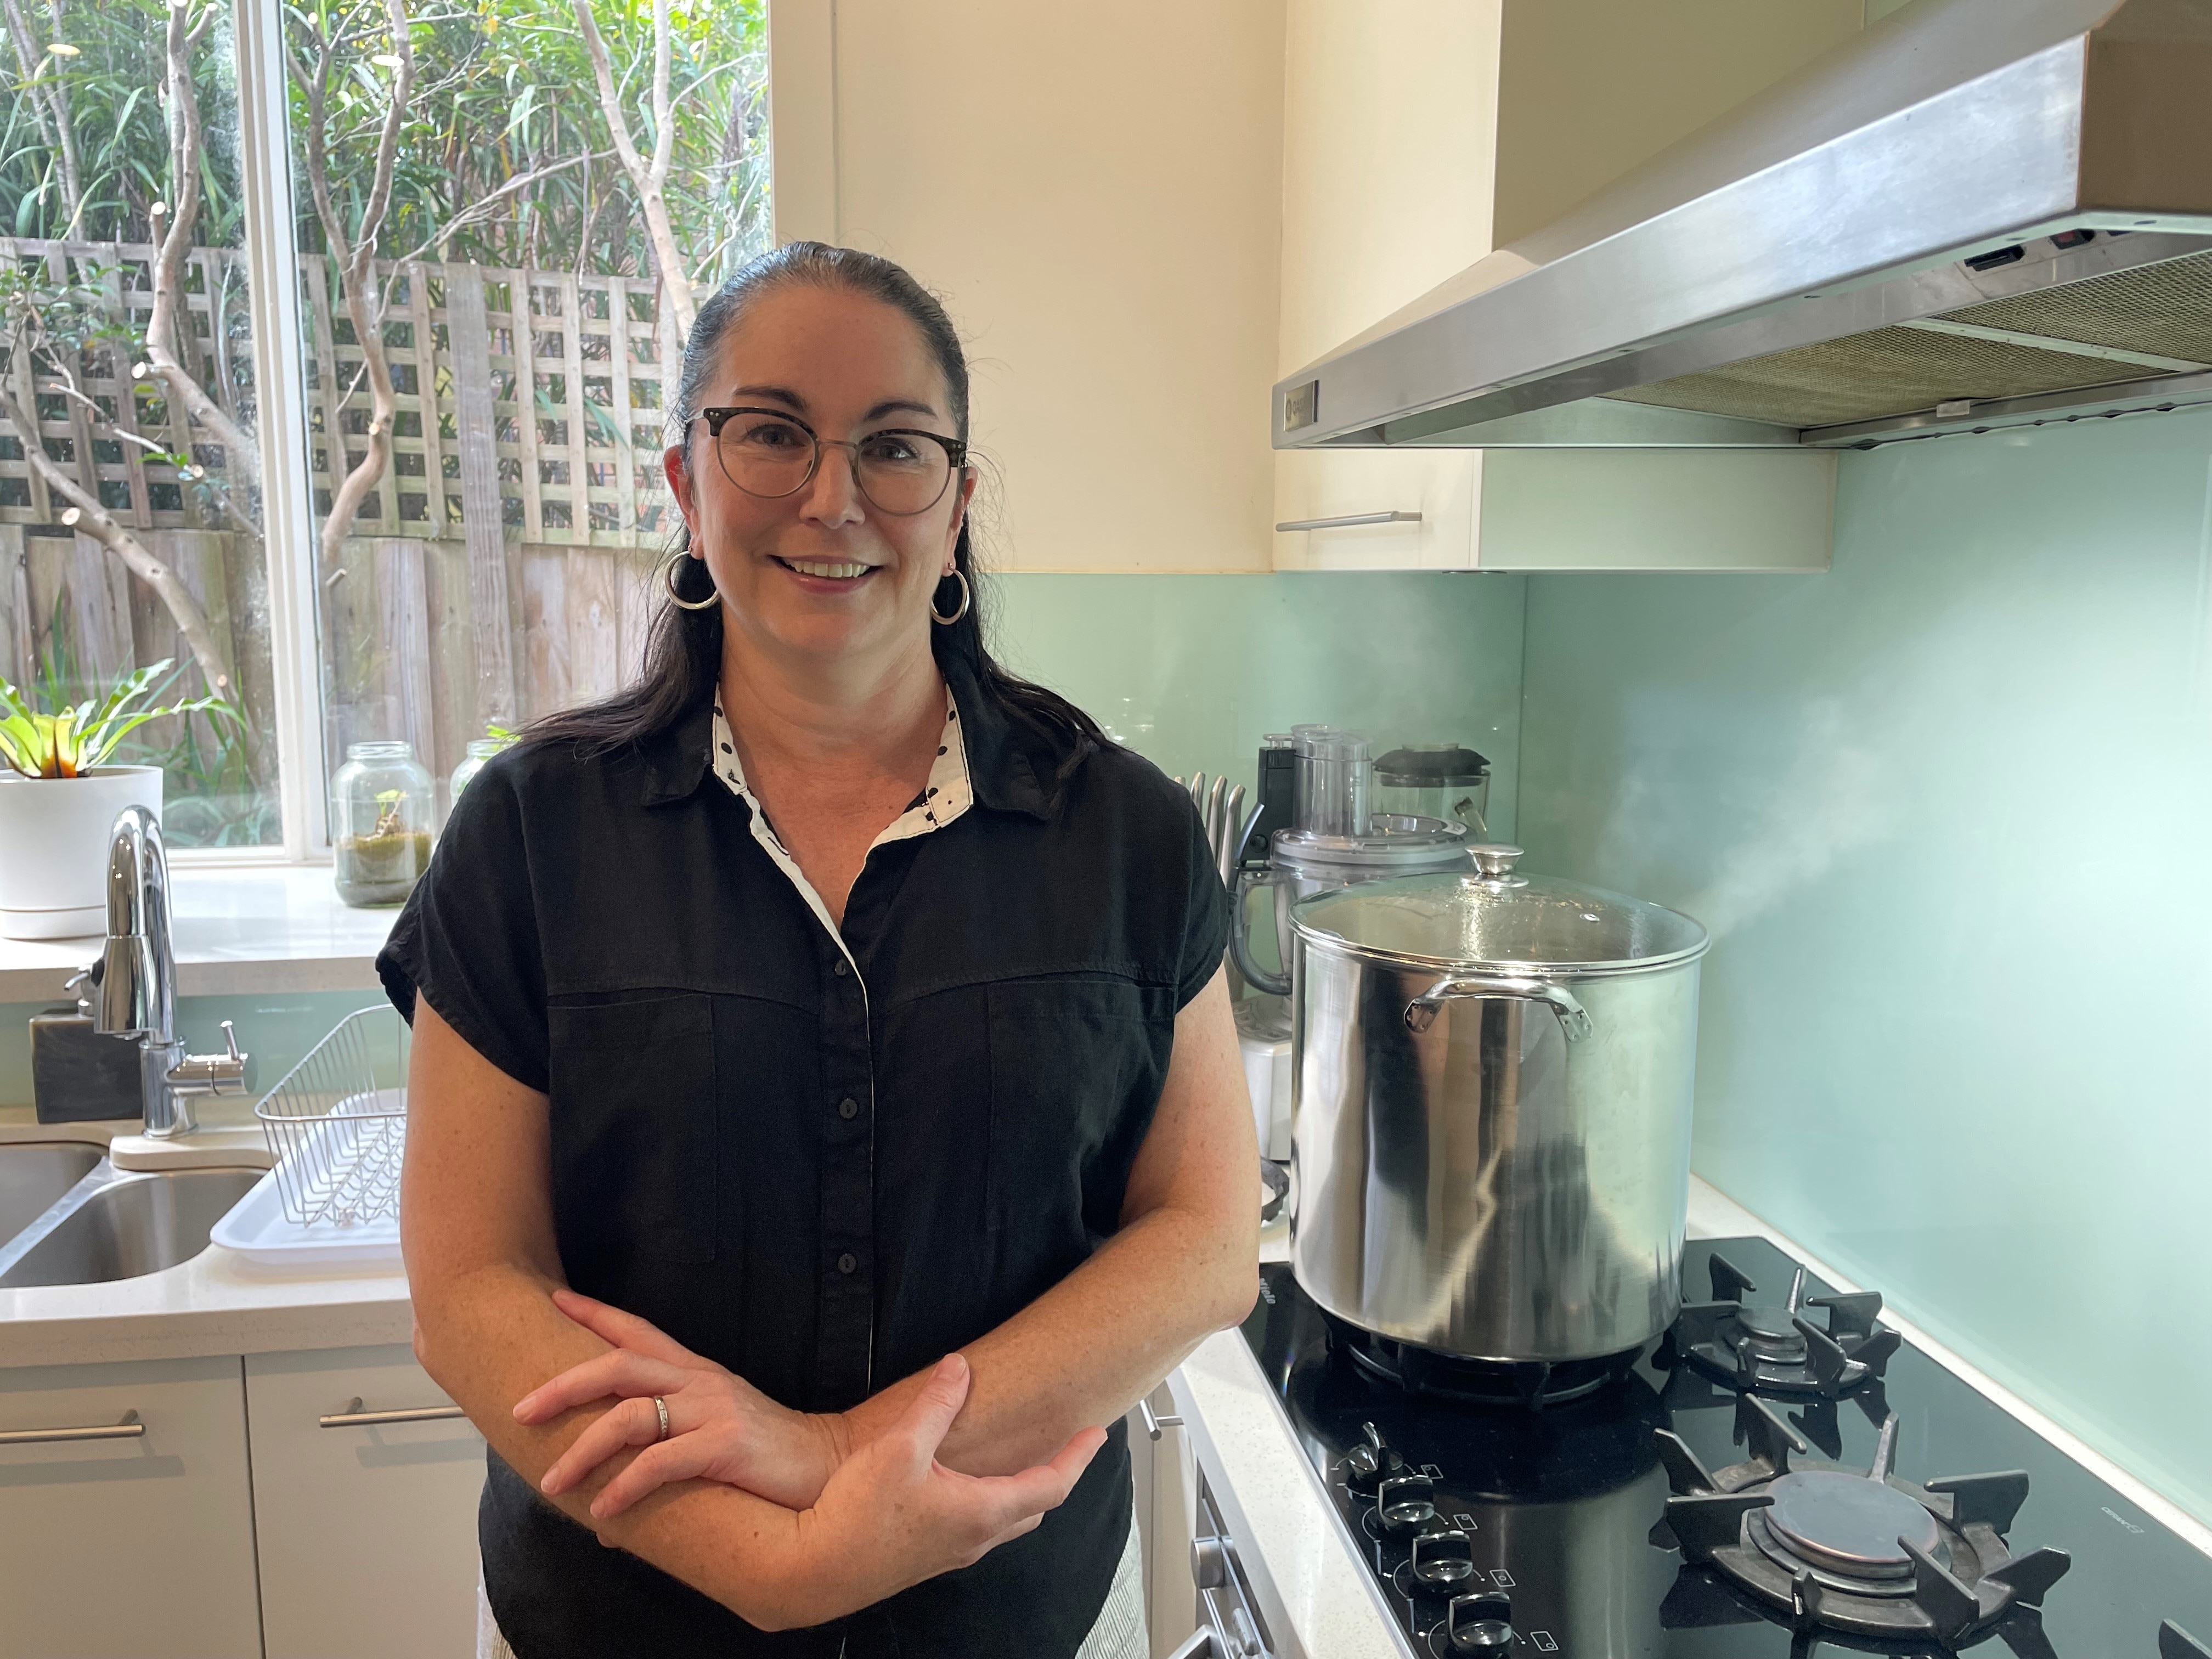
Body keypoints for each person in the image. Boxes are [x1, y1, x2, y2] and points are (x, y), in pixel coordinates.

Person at [382, 241, 1260, 1659]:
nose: (833, 496)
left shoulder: (1128, 838)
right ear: (686, 478)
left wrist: (830, 1457)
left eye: (896, 446)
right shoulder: (528, 839)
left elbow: (1209, 1240)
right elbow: (472, 1293)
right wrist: (781, 1565)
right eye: (773, 433)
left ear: (960, 502)